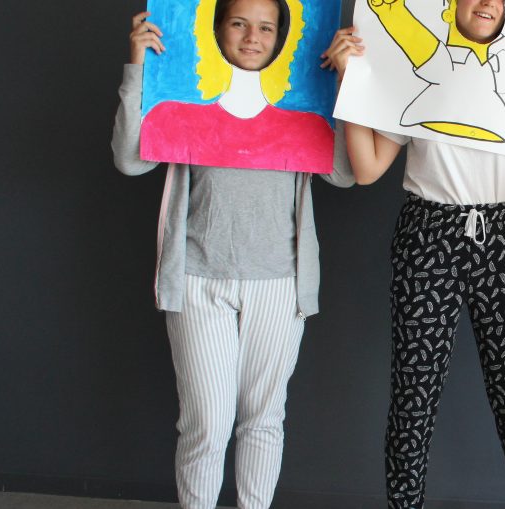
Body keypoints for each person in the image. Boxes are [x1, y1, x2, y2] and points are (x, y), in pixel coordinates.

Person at [321, 0, 505, 505]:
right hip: (428, 233)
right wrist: (350, 83)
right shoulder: (421, 66)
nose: (487, 4)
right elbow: (368, 169)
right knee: (413, 396)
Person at [112, 1, 352, 507]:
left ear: (281, 38)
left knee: (263, 420)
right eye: (239, 24)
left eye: (265, 27)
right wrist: (138, 68)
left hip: (279, 283)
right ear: (217, 30)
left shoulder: (302, 112)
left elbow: (344, 173)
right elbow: (130, 159)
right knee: (206, 424)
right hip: (198, 279)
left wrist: (345, 84)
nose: (251, 37)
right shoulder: (183, 109)